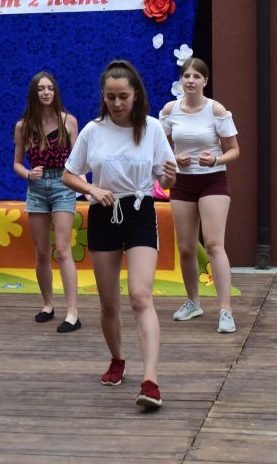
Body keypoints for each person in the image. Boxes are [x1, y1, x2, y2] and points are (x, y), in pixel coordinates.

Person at [62, 60, 177, 409]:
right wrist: (92, 190)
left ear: (136, 94)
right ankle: (117, 358)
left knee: (140, 295)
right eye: (110, 97)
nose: (116, 103)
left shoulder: (152, 128)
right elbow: (69, 174)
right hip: (103, 213)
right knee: (109, 301)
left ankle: (151, 380)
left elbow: (166, 179)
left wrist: (169, 177)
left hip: (139, 211)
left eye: (123, 96)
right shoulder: (93, 130)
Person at [159, 58, 240, 333]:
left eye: (196, 76)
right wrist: (174, 158)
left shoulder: (215, 109)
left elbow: (234, 150)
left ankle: (226, 310)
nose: (191, 81)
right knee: (186, 247)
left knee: (215, 244)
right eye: (186, 76)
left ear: (206, 80)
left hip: (212, 181)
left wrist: (216, 160)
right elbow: (160, 147)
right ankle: (193, 302)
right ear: (180, 81)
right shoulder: (170, 110)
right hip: (182, 183)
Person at [13, 71, 82, 332]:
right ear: (34, 93)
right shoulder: (24, 126)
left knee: (62, 250)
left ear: (55, 92)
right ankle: (48, 304)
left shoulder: (68, 121)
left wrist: (84, 185)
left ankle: (73, 312)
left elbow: (78, 158)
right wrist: (28, 173)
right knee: (41, 252)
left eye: (50, 88)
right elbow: (17, 163)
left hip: (63, 183)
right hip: (37, 187)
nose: (45, 92)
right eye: (41, 88)